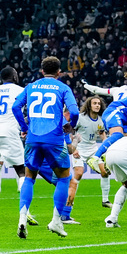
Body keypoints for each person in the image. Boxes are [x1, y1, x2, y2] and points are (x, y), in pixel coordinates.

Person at [12, 56, 79, 239]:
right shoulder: (63, 88)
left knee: (29, 178)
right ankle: (56, 221)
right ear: (59, 72)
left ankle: (22, 219)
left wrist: (25, 128)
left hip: (33, 139)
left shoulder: (31, 86)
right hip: (55, 140)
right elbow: (74, 112)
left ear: (42, 71)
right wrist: (70, 126)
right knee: (65, 179)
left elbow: (16, 107)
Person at [0, 67, 35, 226]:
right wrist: (25, 127)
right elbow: (21, 111)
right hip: (9, 131)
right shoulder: (21, 90)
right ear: (13, 76)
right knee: (21, 171)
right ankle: (26, 213)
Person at [61, 95, 108, 225]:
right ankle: (67, 209)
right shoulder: (80, 118)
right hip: (79, 149)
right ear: (89, 105)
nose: (97, 105)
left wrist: (105, 145)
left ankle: (105, 200)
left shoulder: (100, 120)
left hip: (93, 149)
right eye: (94, 103)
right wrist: (73, 148)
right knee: (79, 173)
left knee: (105, 171)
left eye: (99, 103)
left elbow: (102, 134)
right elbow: (70, 131)